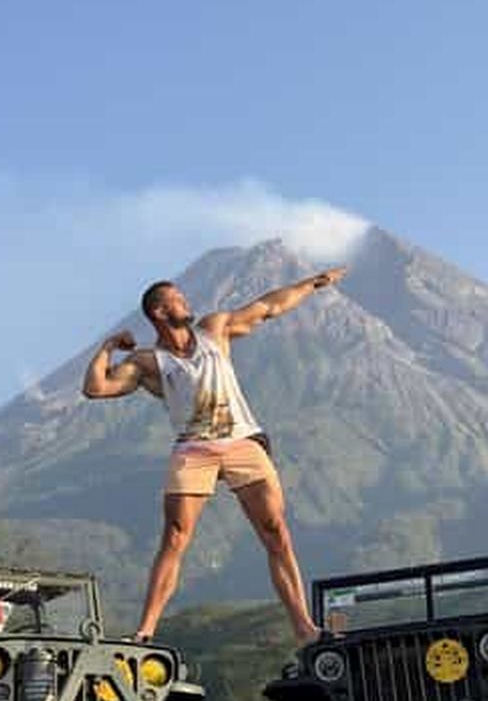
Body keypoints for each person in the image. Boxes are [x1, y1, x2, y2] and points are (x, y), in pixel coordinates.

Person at [82, 266, 347, 645]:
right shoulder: (148, 363)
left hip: (242, 442)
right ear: (158, 312)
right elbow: (96, 388)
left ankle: (304, 627)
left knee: (277, 533)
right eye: (176, 299)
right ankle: (144, 631)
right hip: (193, 448)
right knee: (174, 537)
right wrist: (108, 347)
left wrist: (314, 283)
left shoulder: (214, 330)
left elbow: (268, 307)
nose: (185, 302)